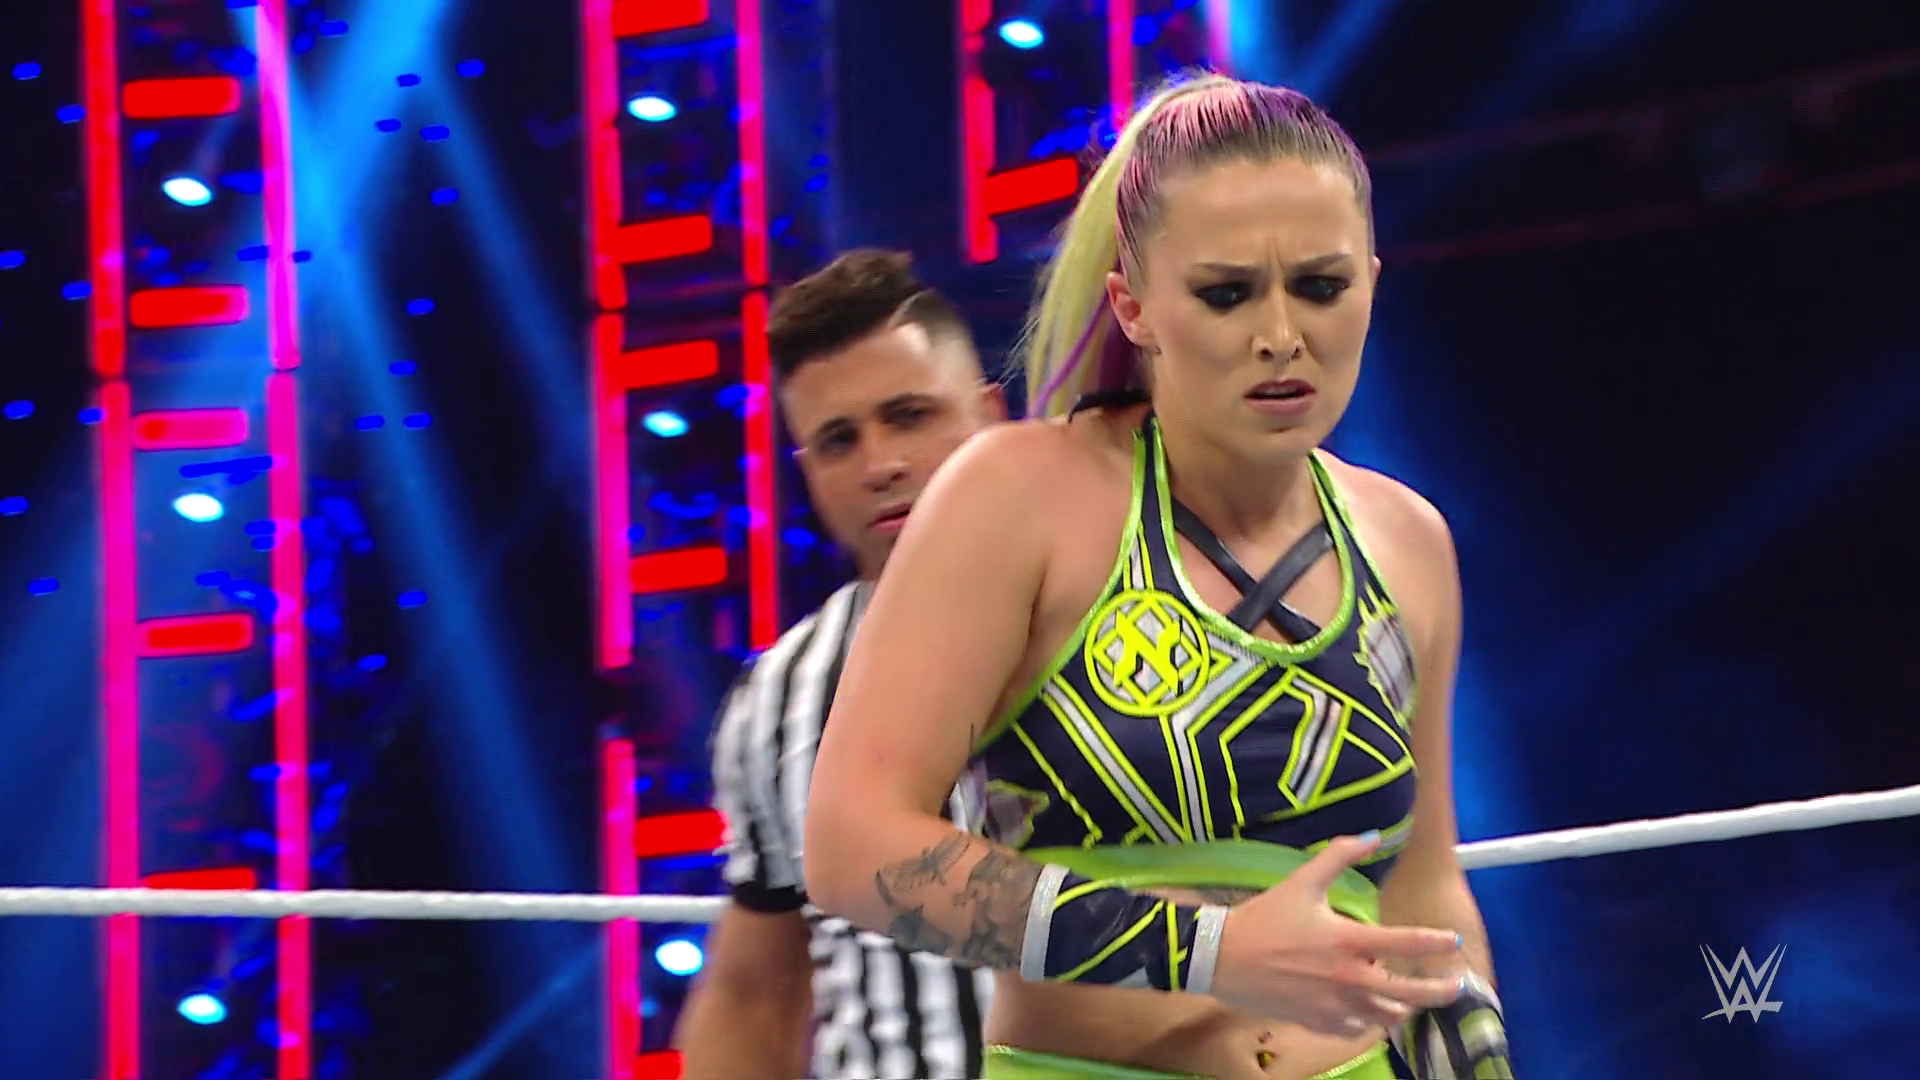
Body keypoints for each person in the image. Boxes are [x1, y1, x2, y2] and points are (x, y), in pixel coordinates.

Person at [803, 73, 1516, 1080]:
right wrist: (1209, 951)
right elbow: (852, 846)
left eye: (1321, 286)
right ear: (1133, 306)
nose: (1282, 335)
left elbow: (1426, 890)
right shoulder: (1018, 497)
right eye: (1227, 293)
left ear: (1371, 282)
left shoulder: (1408, 540)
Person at [674, 250, 1007, 1079]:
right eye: (838, 440)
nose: (879, 463)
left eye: (909, 416)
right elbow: (753, 994)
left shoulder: (1142, 619)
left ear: (991, 417)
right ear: (810, 473)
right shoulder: (781, 696)